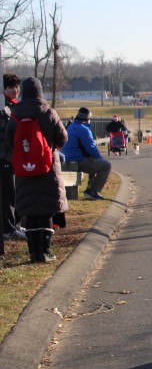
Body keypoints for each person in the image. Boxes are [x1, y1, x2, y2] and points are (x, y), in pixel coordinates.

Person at [6, 77, 68, 262]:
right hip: (47, 167)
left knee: (30, 210)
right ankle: (45, 251)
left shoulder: (14, 115)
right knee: (46, 209)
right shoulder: (48, 112)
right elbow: (62, 138)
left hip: (24, 169)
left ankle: (33, 253)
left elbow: (9, 142)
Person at [62, 107, 113, 201]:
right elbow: (92, 149)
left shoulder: (71, 126)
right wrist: (101, 159)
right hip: (77, 161)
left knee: (93, 161)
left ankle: (90, 189)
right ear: (88, 119)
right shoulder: (83, 129)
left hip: (67, 160)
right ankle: (92, 191)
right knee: (106, 165)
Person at [1, 73, 26, 241]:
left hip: (15, 158)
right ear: (3, 89)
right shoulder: (3, 108)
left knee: (16, 193)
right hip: (5, 158)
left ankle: (16, 225)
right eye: (11, 87)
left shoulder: (16, 106)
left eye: (17, 87)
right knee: (8, 195)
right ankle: (8, 229)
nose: (15, 90)